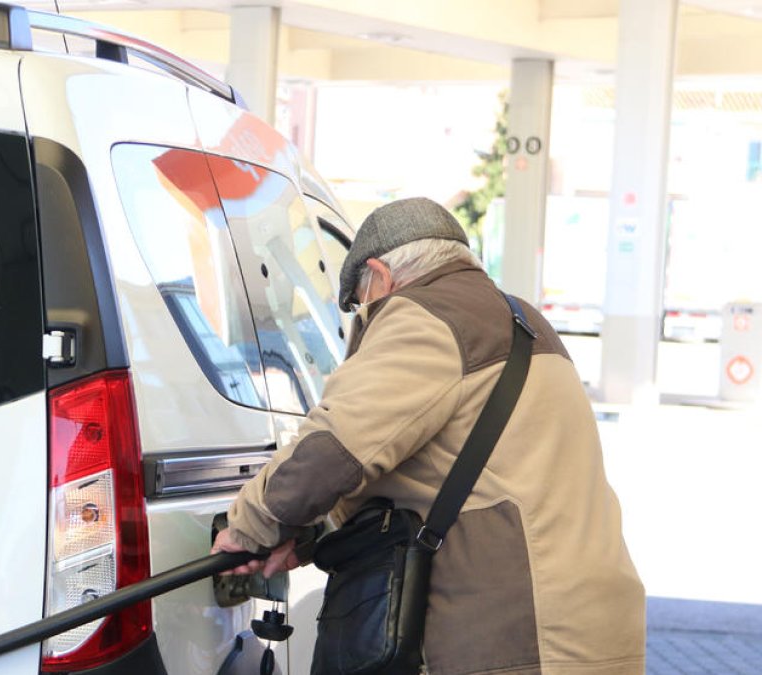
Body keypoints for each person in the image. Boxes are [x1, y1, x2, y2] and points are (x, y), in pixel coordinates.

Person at [212, 197, 645, 674]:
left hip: (517, 631)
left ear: (379, 274)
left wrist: (248, 527)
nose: (365, 317)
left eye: (361, 302)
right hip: (592, 624)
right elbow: (448, 467)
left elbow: (337, 446)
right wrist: (311, 534)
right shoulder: (521, 319)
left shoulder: (423, 316)